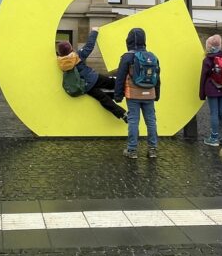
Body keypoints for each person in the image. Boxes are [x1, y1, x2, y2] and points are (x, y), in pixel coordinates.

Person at [113, 27, 161, 159]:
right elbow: (157, 78)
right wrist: (157, 94)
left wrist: (118, 95)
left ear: (128, 40)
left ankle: (132, 150)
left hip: (133, 95)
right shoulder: (152, 56)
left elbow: (120, 77)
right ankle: (153, 149)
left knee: (133, 120)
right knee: (151, 121)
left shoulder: (127, 57)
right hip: (150, 94)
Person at [57, 31, 127, 120]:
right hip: (94, 78)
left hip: (85, 87)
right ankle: (129, 90)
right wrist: (94, 32)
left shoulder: (60, 63)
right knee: (113, 83)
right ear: (71, 48)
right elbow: (89, 46)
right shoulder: (77, 56)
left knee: (103, 98)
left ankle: (123, 114)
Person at [198, 34, 222, 147]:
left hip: (212, 88)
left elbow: (203, 77)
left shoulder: (208, 60)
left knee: (214, 113)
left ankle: (214, 138)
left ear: (209, 46)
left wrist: (202, 94)